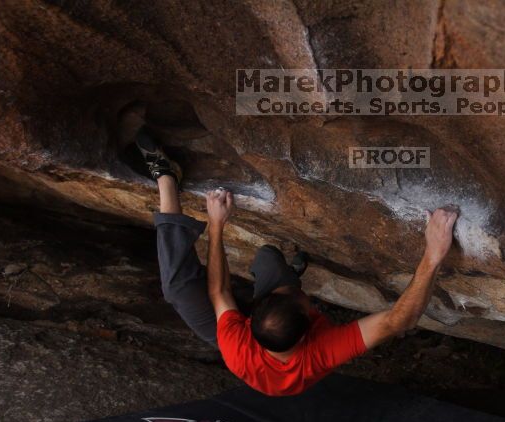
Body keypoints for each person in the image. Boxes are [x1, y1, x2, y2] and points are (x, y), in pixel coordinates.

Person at [137, 128, 459, 396]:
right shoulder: (320, 352)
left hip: (244, 337)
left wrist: (217, 223)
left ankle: (166, 179)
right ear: (311, 326)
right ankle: (287, 274)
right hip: (266, 337)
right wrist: (434, 254)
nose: (294, 295)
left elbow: (219, 293)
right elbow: (397, 321)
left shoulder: (237, 346)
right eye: (296, 296)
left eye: (283, 293)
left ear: (250, 320)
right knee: (270, 266)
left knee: (179, 288)